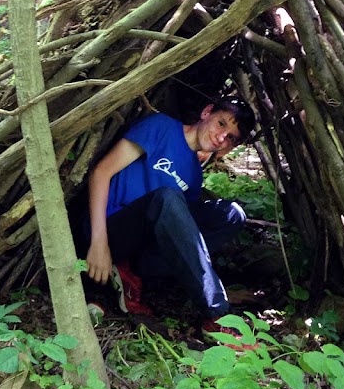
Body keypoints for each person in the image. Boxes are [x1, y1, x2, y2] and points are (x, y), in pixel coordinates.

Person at [80, 98, 256, 340]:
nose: (220, 137)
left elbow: (185, 239)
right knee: (167, 198)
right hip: (112, 231)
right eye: (221, 123)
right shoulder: (161, 127)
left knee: (232, 214)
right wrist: (98, 242)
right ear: (206, 112)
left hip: (144, 255)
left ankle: (135, 276)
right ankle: (217, 315)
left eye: (230, 137)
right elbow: (101, 172)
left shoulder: (194, 174)